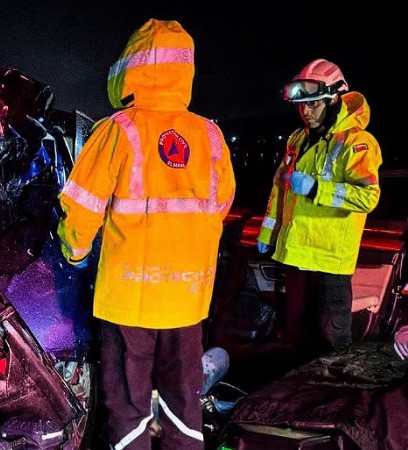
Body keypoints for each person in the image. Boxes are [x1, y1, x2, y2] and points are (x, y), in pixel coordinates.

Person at [57, 19, 235, 450]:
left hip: (129, 299)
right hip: (188, 299)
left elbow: (81, 209)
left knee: (130, 405)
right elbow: (222, 206)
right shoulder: (210, 135)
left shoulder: (118, 130)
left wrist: (76, 253)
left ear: (129, 69)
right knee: (182, 400)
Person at [257, 59, 382, 355]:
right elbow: (280, 189)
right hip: (295, 255)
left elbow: (368, 197)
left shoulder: (358, 143)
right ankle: (299, 396)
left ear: (333, 100)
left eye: (313, 105)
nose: (306, 112)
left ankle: (332, 397)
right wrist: (266, 236)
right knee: (296, 335)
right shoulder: (297, 139)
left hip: (329, 262)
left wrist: (317, 189)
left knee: (331, 342)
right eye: (302, 106)